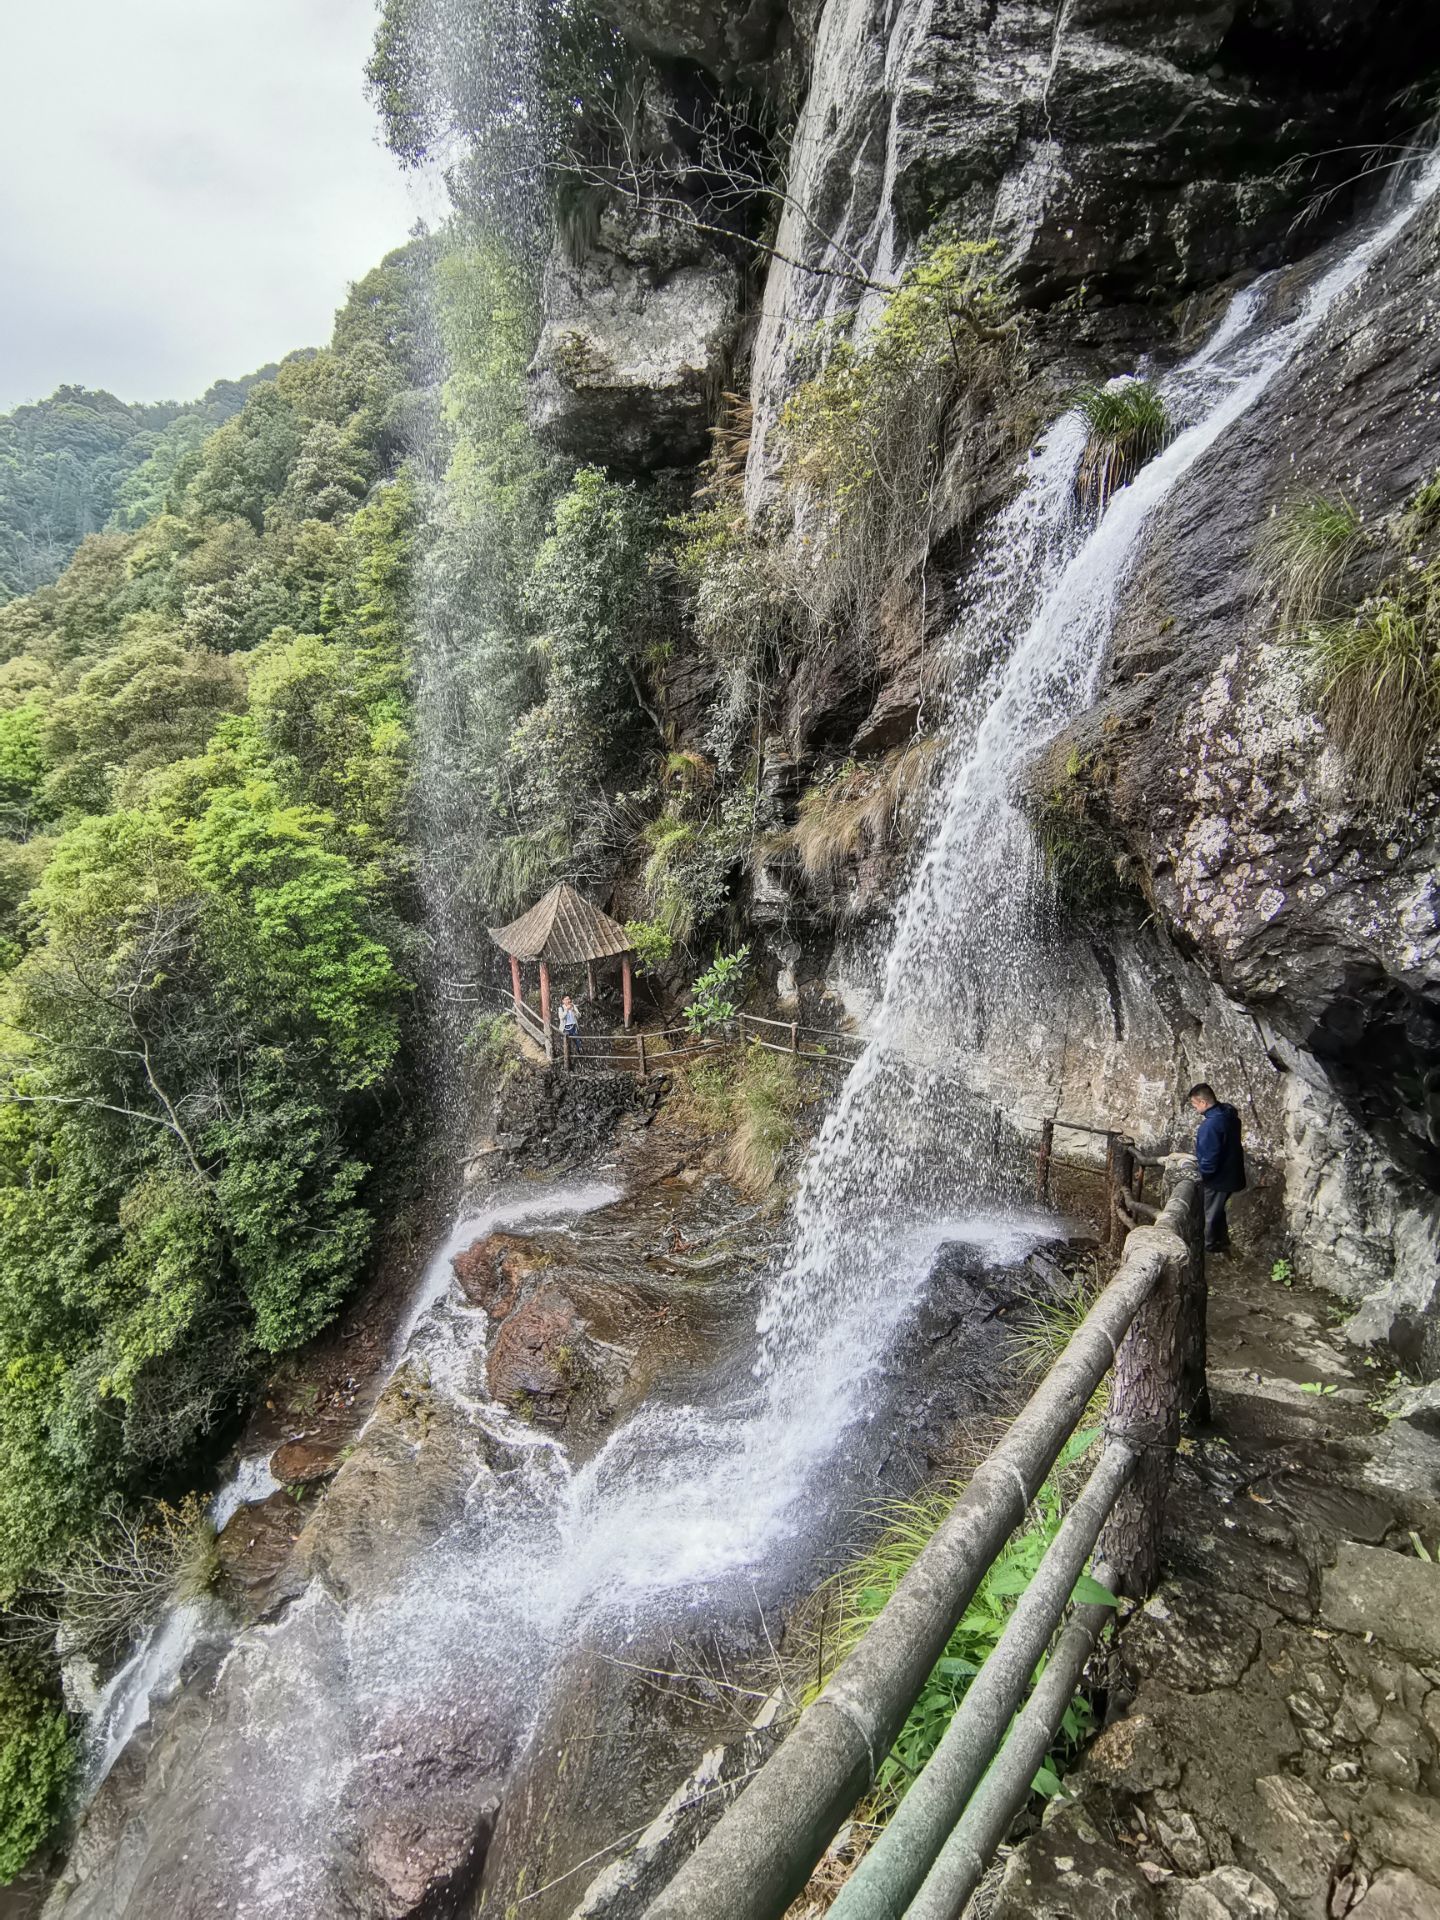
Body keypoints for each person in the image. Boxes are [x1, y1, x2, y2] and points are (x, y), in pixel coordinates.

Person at [1187, 1082, 1246, 1254]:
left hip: (1218, 1178)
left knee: (1209, 1213)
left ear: (1203, 1103)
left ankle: (1209, 1247)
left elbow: (1210, 1157)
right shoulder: (1229, 1115)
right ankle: (1222, 1240)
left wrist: (1202, 1176)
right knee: (1218, 1210)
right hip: (1232, 1173)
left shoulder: (1210, 1126)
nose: (1195, 1108)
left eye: (1195, 1104)